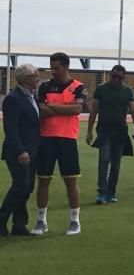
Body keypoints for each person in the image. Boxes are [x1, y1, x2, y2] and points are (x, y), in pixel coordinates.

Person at [33, 52, 87, 236]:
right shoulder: (44, 86)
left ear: (66, 67)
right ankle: (41, 221)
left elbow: (78, 109)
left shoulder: (78, 87)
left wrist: (53, 107)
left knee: (71, 181)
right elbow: (41, 110)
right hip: (46, 138)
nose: (53, 72)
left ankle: (75, 221)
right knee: (43, 181)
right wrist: (65, 109)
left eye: (56, 68)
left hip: (67, 139)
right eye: (52, 68)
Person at [86, 65, 134, 204]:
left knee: (116, 164)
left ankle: (112, 191)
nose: (116, 79)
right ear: (110, 75)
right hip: (104, 129)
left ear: (124, 78)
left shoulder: (128, 91)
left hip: (120, 129)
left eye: (119, 77)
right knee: (104, 160)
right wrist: (89, 131)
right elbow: (93, 111)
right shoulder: (101, 89)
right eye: (114, 76)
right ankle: (102, 192)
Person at [1, 64, 41, 237]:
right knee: (20, 186)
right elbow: (11, 129)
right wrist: (20, 151)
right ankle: (2, 219)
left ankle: (19, 225)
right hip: (18, 151)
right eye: (35, 76)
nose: (38, 79)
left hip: (32, 150)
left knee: (28, 187)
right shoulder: (14, 99)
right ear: (26, 79)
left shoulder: (32, 97)